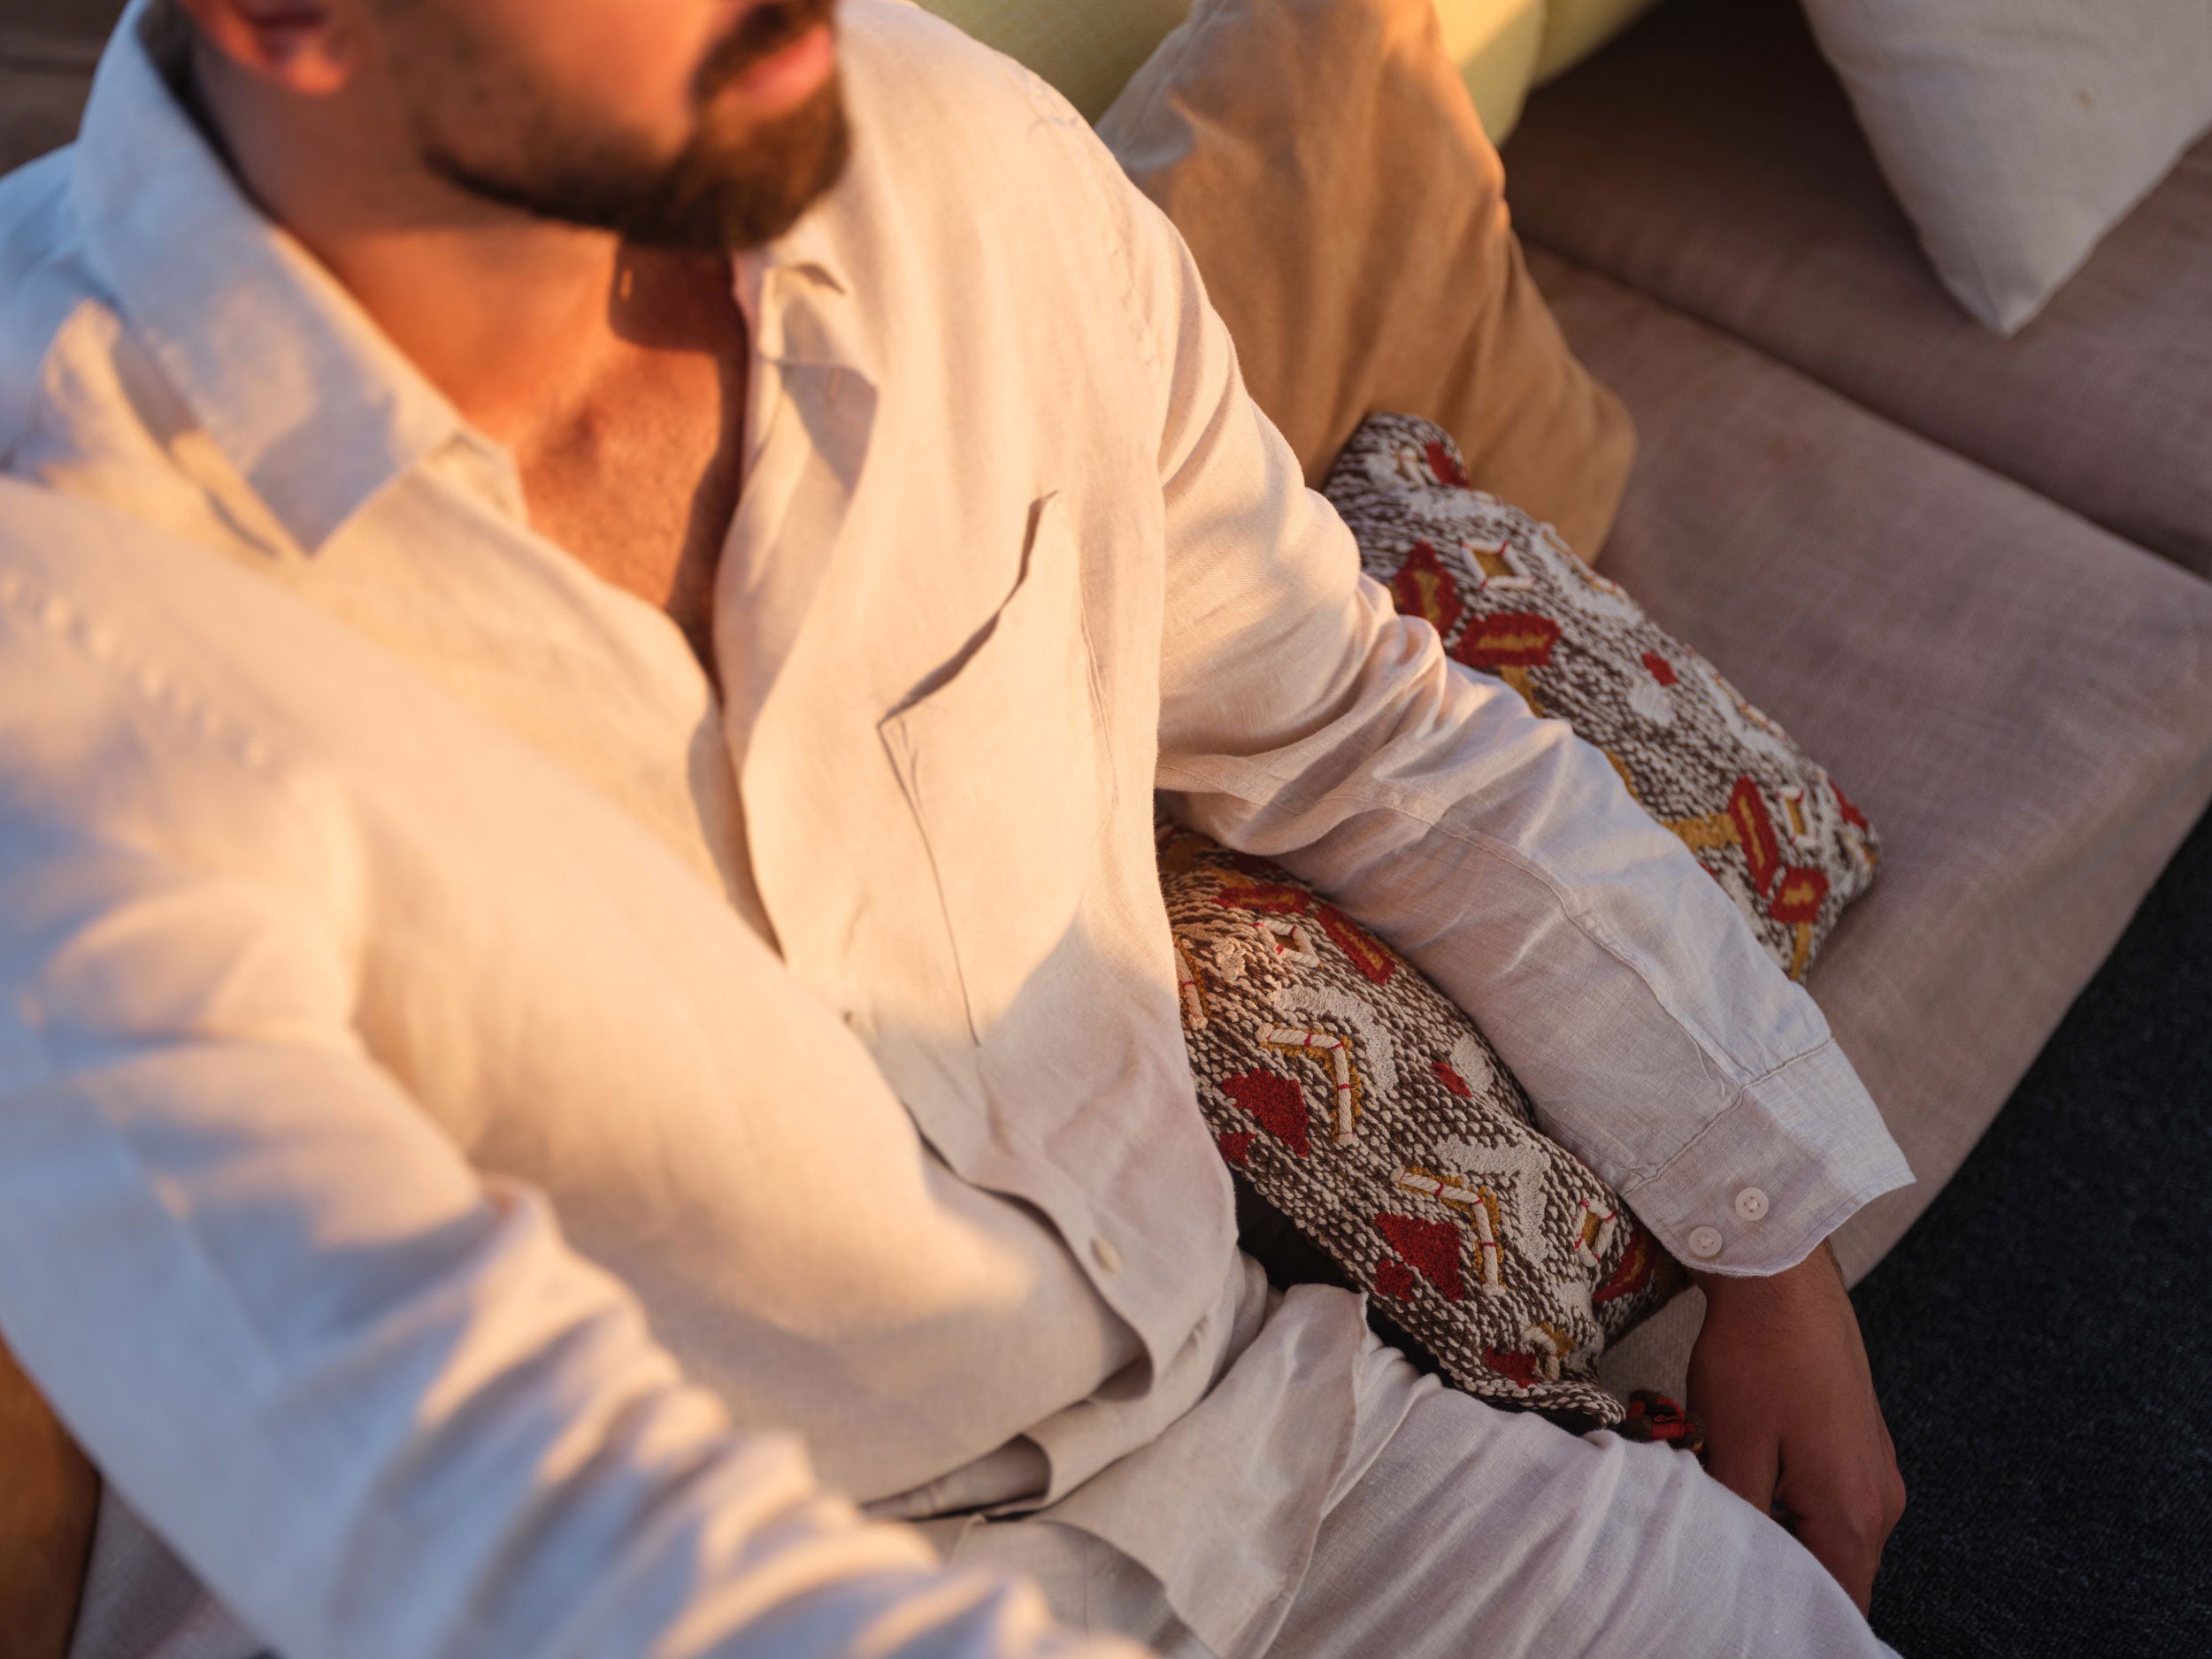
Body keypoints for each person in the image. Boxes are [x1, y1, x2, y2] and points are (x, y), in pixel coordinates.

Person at [0, 0, 1914, 1654]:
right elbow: (466, 1510)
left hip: (1245, 1452)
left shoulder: (941, 158)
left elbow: (1350, 718)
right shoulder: (60, 620)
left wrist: (1758, 1220)